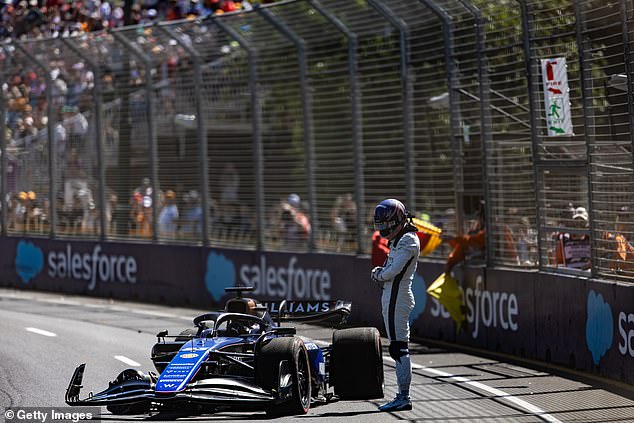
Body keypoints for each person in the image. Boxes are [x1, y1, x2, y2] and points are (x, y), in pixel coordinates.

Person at [370, 198, 420, 412]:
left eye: (385, 224)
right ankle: (402, 395)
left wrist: (378, 274)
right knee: (397, 346)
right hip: (393, 296)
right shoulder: (399, 239)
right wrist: (381, 273)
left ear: (397, 220)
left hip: (397, 297)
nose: (383, 229)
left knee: (399, 348)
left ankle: (403, 396)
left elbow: (391, 271)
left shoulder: (408, 240)